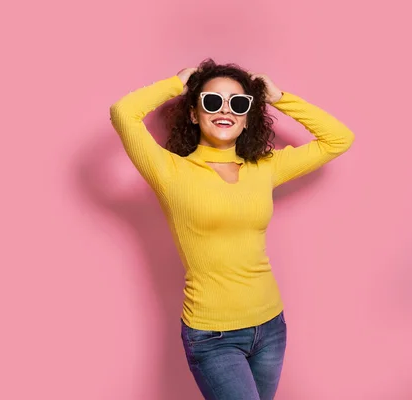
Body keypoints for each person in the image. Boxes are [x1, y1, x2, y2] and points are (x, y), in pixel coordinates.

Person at [109, 58, 354, 400]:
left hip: (271, 327)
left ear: (247, 117)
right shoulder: (169, 171)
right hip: (213, 336)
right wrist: (176, 85)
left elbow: (338, 139)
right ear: (194, 113)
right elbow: (123, 112)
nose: (225, 110)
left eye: (238, 104)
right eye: (212, 101)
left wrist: (279, 97)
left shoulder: (264, 168)